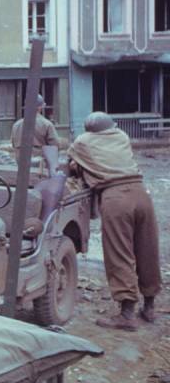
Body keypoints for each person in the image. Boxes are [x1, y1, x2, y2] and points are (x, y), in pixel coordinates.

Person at [67, 112, 160, 331]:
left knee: (119, 253)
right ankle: (149, 307)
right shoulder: (121, 136)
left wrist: (73, 168)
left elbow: (69, 165)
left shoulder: (83, 142)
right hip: (140, 192)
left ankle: (127, 314)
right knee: (147, 249)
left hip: (115, 197)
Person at [10, 94, 59, 172]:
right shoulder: (47, 124)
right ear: (40, 107)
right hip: (39, 166)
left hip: (21, 164)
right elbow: (54, 146)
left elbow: (13, 144)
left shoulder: (16, 125)